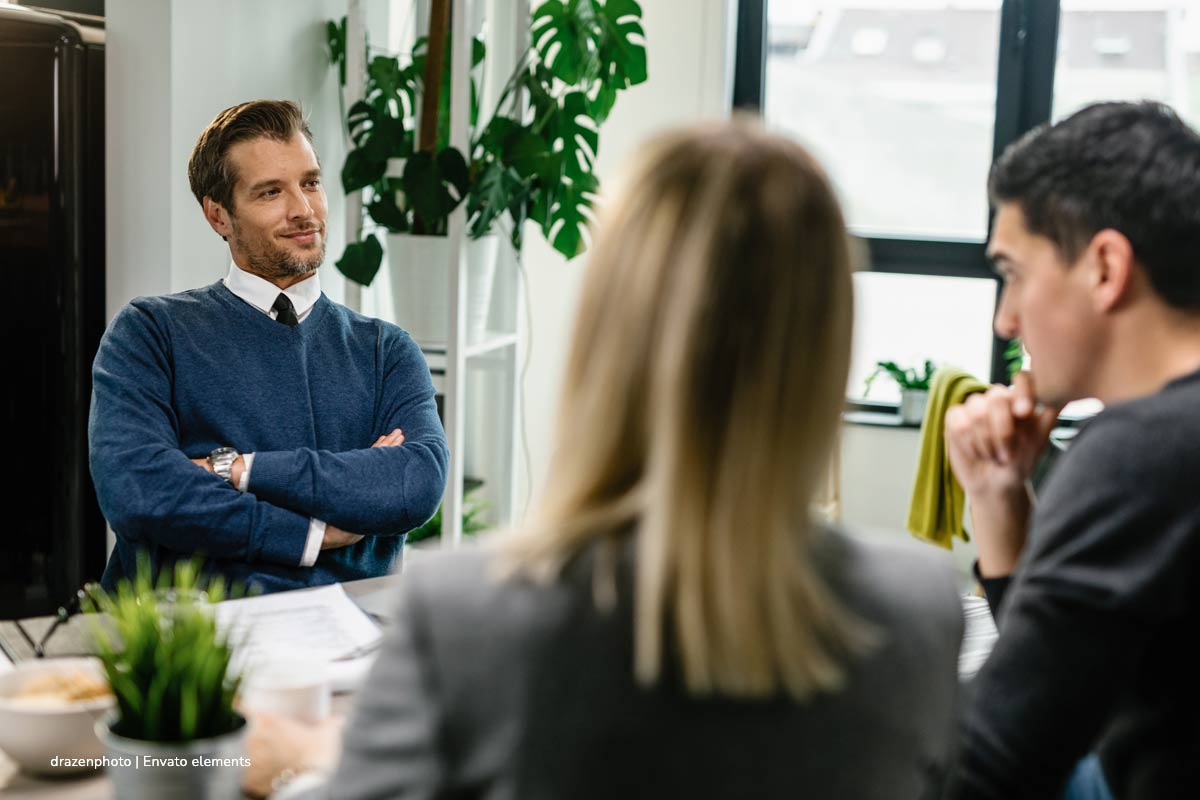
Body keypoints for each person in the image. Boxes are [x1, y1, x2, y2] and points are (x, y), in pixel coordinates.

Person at [243, 119, 964, 799]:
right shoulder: (920, 612)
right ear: (828, 341)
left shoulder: (468, 618)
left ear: (606, 332)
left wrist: (308, 762)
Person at [942, 101, 1200, 799]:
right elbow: (1065, 681)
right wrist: (1000, 499)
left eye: (1013, 271)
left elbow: (996, 764)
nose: (1006, 318)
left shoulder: (1144, 449)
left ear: (1105, 266)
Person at [89, 100, 448, 594]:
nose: (303, 210)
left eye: (311, 182)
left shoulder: (386, 351)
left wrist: (235, 469)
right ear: (219, 215)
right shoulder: (151, 332)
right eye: (270, 192)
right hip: (193, 644)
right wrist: (312, 533)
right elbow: (139, 491)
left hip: (350, 642)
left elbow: (414, 483)